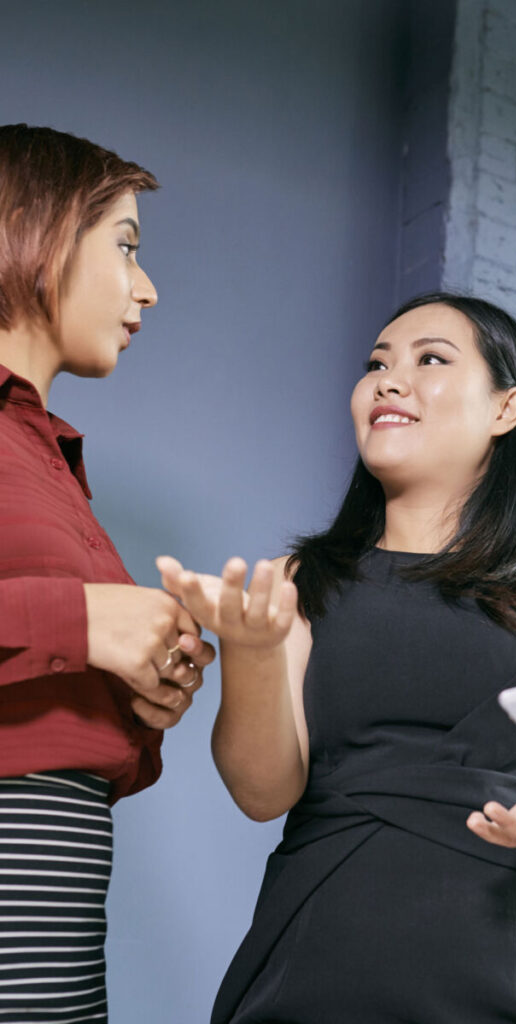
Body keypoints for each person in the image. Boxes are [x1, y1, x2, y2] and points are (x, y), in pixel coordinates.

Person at [158, 293, 516, 1024]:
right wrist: (253, 649)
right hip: (309, 968)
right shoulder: (297, 581)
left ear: (505, 408)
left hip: (509, 976)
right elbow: (262, 794)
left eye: (429, 360)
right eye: (376, 364)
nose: (388, 381)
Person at [0, 124, 215, 1023]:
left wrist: (142, 701)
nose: (148, 288)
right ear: (34, 230)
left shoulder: (45, 452)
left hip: (56, 935)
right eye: (125, 247)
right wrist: (82, 627)